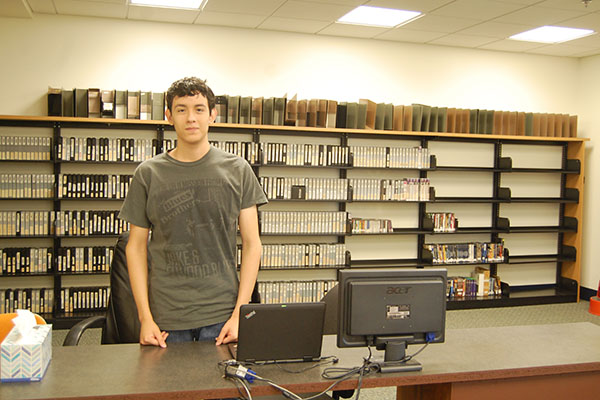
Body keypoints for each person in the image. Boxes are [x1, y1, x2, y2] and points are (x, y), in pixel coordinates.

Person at [119, 77, 267, 348]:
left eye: (199, 109)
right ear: (169, 116)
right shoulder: (148, 174)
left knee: (222, 389)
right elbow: (135, 247)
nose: (191, 118)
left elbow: (252, 243)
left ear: (213, 114)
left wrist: (240, 313)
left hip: (223, 315)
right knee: (172, 390)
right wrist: (145, 318)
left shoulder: (238, 170)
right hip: (166, 319)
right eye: (181, 109)